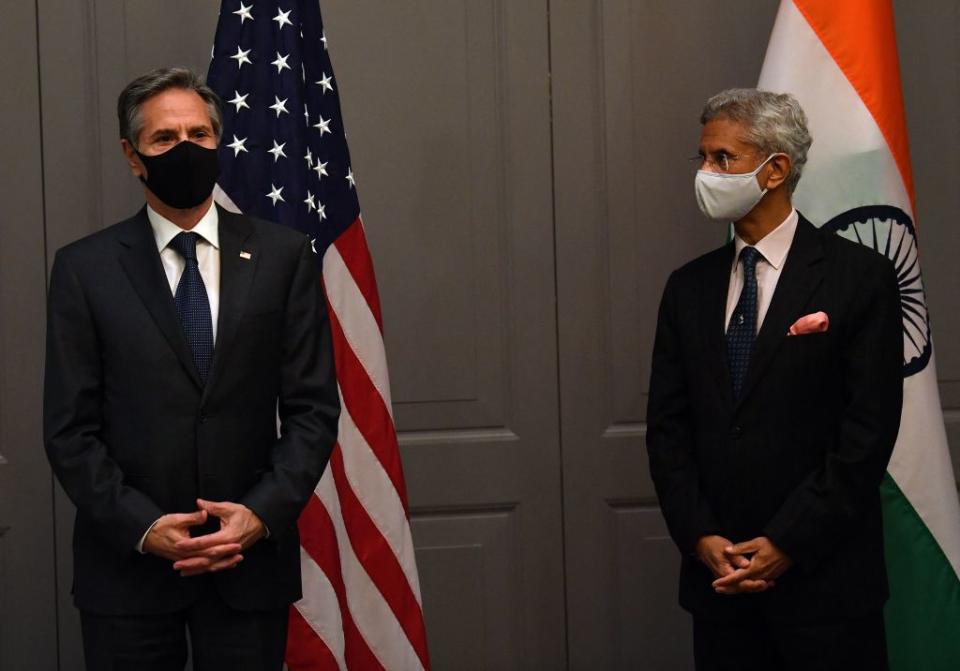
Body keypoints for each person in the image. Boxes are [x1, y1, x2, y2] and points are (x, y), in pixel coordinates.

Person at [43, 67, 340, 670]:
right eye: (164, 139)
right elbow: (70, 429)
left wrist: (259, 515)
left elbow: (313, 410)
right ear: (133, 156)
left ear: (218, 142)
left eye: (200, 135)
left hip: (247, 567)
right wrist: (145, 527)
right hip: (126, 572)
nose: (186, 149)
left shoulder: (283, 257)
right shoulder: (84, 269)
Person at [646, 88, 903, 670]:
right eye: (703, 158)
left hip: (827, 585)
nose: (706, 174)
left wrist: (788, 541)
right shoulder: (688, 287)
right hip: (721, 585)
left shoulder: (859, 278)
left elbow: (866, 432)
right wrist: (701, 536)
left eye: (723, 159)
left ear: (775, 169)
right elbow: (668, 429)